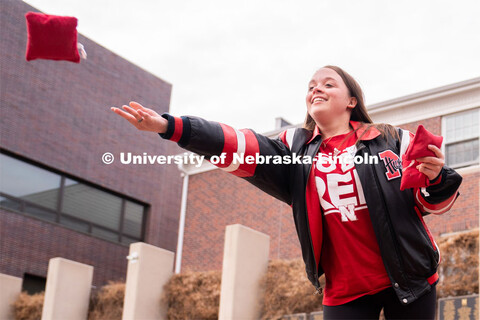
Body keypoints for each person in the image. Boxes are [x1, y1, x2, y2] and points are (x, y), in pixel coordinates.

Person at [111, 65, 462, 320]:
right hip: (345, 292)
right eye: (311, 86)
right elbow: (238, 144)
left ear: (352, 100)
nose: (316, 89)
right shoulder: (295, 150)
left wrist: (435, 177)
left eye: (328, 83)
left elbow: (430, 202)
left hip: (411, 277)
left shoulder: (390, 139)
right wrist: (170, 127)